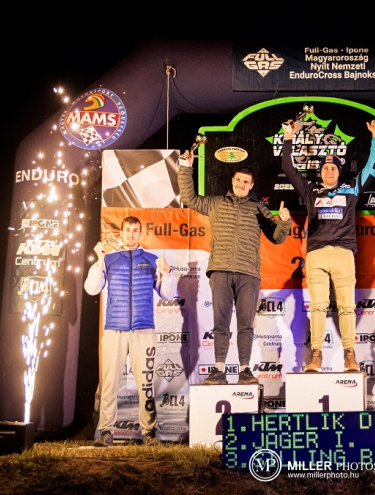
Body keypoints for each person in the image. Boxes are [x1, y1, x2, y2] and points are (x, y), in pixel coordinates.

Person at [178, 152, 291, 385]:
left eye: (246, 182)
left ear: (251, 186)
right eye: (238, 180)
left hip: (248, 274)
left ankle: (245, 371)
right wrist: (185, 168)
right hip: (220, 270)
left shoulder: (259, 208)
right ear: (232, 181)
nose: (241, 184)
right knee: (220, 323)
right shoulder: (216, 203)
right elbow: (189, 198)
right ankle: (218, 370)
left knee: (245, 325)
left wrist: (284, 221)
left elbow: (278, 238)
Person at [282, 118, 375, 372]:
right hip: (316, 255)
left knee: (347, 307)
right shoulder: (310, 191)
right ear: (321, 172)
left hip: (344, 254)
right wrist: (288, 138)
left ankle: (350, 355)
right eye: (326, 168)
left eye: (333, 168)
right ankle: (316, 355)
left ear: (339, 172)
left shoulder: (351, 188)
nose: (329, 171)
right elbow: (289, 168)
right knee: (318, 307)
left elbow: (373, 167)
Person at [84, 216, 178, 447]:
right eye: (127, 230)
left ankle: (149, 433)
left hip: (144, 330)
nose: (131, 234)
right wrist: (99, 261)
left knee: (146, 384)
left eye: (135, 230)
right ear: (121, 232)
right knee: (109, 383)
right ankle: (106, 432)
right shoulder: (109, 259)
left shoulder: (151, 259)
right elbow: (91, 289)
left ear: (140, 234)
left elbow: (167, 295)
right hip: (114, 330)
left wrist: (168, 273)